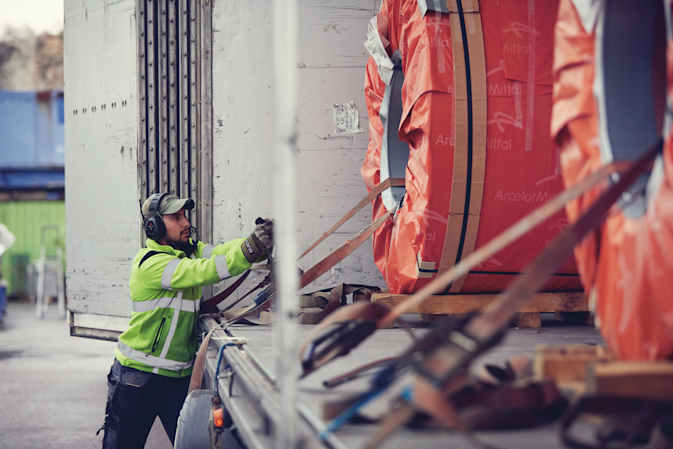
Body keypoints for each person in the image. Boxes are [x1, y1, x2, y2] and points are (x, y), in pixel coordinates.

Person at [99, 193, 273, 448]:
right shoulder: (151, 264)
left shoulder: (189, 252)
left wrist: (254, 243)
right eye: (176, 218)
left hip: (177, 380)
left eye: (185, 216)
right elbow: (206, 271)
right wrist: (249, 251)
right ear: (154, 226)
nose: (186, 223)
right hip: (137, 378)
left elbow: (222, 253)